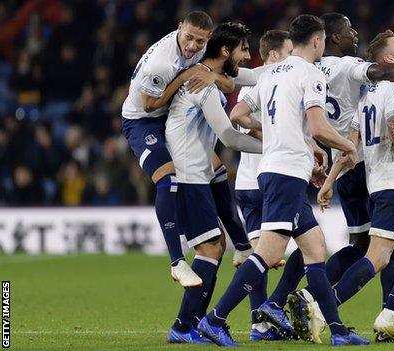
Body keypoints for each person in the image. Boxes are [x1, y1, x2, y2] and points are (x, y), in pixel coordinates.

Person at [197, 14, 368, 347]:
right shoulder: (310, 73)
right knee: (267, 253)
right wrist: (347, 145)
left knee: (315, 248)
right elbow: (318, 127)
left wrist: (284, 138)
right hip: (286, 172)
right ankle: (214, 320)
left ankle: (339, 332)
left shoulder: (271, 71)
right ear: (318, 41)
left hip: (277, 168)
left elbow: (238, 115)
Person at [284, 12, 394, 342]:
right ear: (389, 59)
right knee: (378, 254)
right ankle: (322, 307)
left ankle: (388, 317)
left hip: (377, 177)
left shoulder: (366, 94)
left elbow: (351, 142)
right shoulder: (380, 82)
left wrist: (331, 178)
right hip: (389, 182)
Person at [164, 22, 262, 344]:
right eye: (243, 49)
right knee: (209, 248)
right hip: (188, 177)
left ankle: (192, 325)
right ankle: (183, 327)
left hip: (198, 174)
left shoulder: (211, 79)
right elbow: (230, 137)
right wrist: (274, 145)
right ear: (225, 51)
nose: (247, 56)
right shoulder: (202, 87)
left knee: (215, 246)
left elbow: (255, 77)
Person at [121, 11, 233, 287]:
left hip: (173, 117)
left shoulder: (207, 49)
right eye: (189, 37)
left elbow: (229, 82)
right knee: (167, 178)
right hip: (142, 122)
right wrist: (185, 77)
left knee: (216, 167)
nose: (193, 46)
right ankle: (176, 261)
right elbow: (148, 105)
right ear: (179, 27)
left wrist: (209, 76)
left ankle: (239, 241)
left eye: (200, 40)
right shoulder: (161, 63)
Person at [232, 29, 293, 341]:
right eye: (289, 51)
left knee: (259, 258)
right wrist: (273, 139)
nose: (293, 57)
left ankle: (259, 325)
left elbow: (240, 117)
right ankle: (276, 307)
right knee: (311, 248)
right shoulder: (261, 79)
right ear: (273, 55)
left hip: (247, 181)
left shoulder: (256, 81)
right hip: (267, 180)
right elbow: (240, 119)